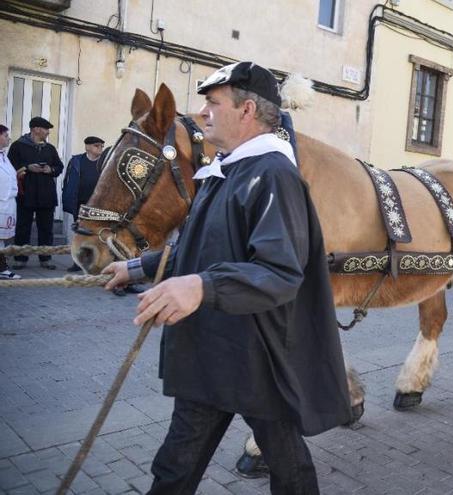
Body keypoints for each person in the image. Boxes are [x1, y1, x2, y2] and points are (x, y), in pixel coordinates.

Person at [101, 61, 351, 494]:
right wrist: (136, 267)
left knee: (289, 471)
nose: (204, 113)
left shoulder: (272, 174)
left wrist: (200, 286)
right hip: (212, 350)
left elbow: (279, 272)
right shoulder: (227, 171)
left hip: (256, 355)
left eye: (213, 103)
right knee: (175, 468)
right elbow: (200, 247)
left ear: (247, 110)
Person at [8, 117, 64, 270]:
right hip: (25, 194)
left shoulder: (50, 148)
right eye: (46, 129)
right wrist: (27, 167)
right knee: (23, 227)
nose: (48, 132)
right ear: (36, 129)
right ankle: (20, 258)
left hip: (46, 195)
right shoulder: (18, 146)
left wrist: (50, 169)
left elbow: (59, 166)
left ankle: (45, 258)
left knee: (46, 229)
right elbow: (9, 168)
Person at [62, 136, 105, 271]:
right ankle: (78, 263)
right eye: (97, 146)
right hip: (80, 204)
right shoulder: (77, 161)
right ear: (87, 147)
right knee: (80, 234)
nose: (100, 149)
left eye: (102, 146)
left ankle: (97, 263)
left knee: (98, 235)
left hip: (98, 205)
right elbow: (67, 180)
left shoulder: (105, 162)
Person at [0, 124, 22, 280]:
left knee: (1, 239)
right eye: (6, 135)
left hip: (7, 203)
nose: (8, 138)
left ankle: (2, 267)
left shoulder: (4, 156)